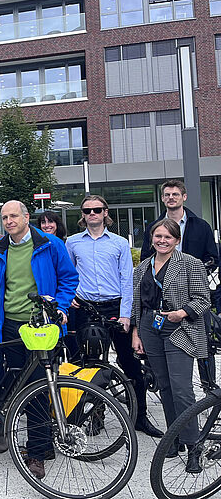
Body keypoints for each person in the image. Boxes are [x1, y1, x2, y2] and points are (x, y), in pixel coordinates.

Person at [0, 200, 78, 479]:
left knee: (38, 386)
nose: (8, 221)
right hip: (9, 323)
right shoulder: (1, 247)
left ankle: (37, 451)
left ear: (26, 217)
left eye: (13, 216)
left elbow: (69, 278)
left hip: (40, 325)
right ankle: (37, 442)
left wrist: (61, 306)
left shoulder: (49, 243)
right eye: (4, 217)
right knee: (20, 383)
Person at [65, 195, 163, 438]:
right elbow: (67, 273)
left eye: (97, 209)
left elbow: (126, 280)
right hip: (86, 309)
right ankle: (94, 416)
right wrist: (69, 297)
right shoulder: (73, 242)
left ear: (105, 212)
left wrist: (126, 315)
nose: (92, 214)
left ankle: (139, 416)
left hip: (115, 307)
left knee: (129, 362)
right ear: (83, 214)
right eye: (87, 210)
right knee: (89, 364)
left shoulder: (119, 243)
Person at [133, 219, 211, 473]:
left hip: (179, 328)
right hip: (150, 326)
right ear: (151, 239)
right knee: (164, 386)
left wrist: (182, 312)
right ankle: (174, 439)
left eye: (168, 237)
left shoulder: (190, 263)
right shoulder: (143, 266)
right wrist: (136, 331)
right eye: (158, 236)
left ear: (176, 240)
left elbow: (202, 300)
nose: (162, 241)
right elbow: (138, 303)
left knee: (181, 389)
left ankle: (193, 445)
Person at [140, 179, 219, 386]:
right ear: (162, 198)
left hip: (193, 295)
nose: (171, 198)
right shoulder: (154, 227)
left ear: (184, 197)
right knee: (168, 367)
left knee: (204, 345)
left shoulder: (200, 226)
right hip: (164, 300)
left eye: (175, 194)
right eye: (167, 195)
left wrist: (193, 271)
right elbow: (145, 262)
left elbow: (213, 257)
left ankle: (209, 389)